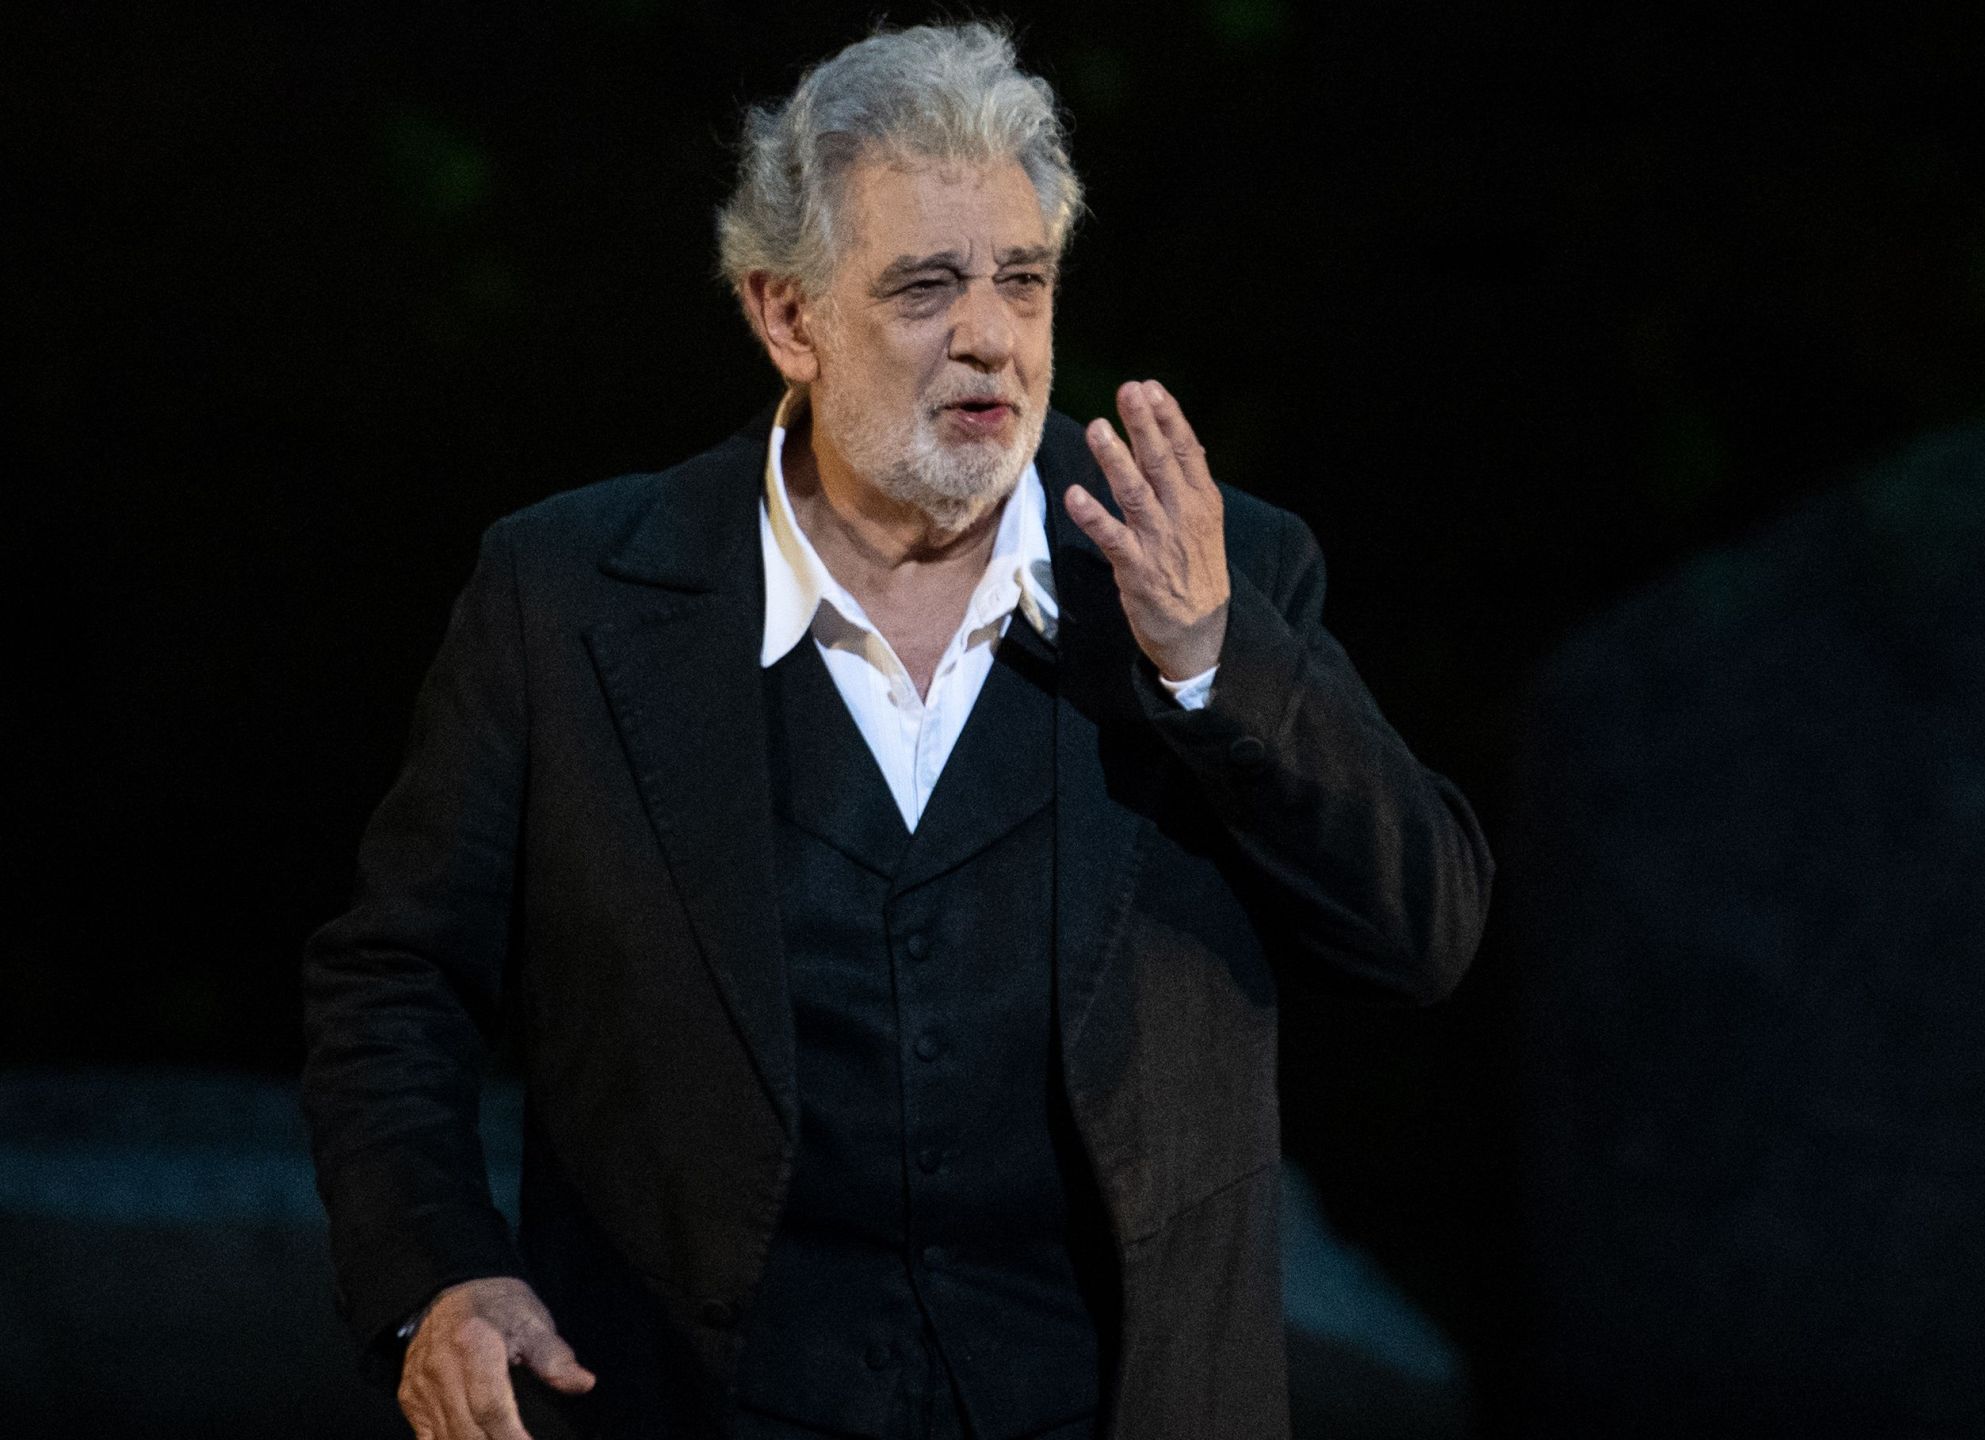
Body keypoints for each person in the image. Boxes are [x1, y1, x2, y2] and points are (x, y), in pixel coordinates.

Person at [299, 22, 1492, 1440]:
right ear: (786, 317)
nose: (990, 333)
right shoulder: (565, 598)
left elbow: (1424, 935)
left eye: (1023, 281)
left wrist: (1214, 663)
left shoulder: (1216, 575)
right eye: (927, 287)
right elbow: (394, 982)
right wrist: (440, 1271)